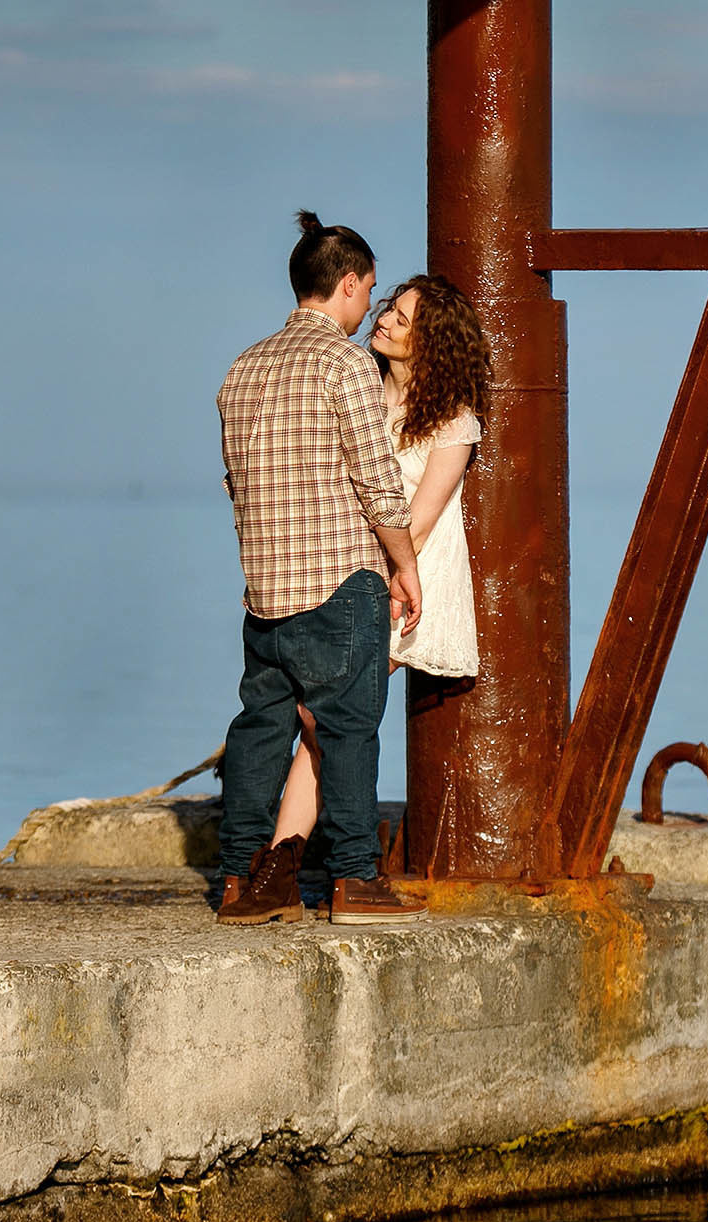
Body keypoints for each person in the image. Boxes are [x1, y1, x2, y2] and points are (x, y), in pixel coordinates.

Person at [214, 212, 429, 926]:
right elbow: (376, 480)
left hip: (265, 590)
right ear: (344, 284)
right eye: (368, 289)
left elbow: (233, 481)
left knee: (260, 731)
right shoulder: (344, 364)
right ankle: (353, 878)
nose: (369, 303)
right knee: (347, 731)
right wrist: (404, 567)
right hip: (340, 581)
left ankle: (241, 878)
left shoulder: (242, 367)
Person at [264, 274, 490, 857]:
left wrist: (382, 571)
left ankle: (311, 858)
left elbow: (421, 517)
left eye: (402, 319)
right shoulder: (360, 388)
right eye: (388, 308)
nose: (384, 320)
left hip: (410, 579)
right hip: (350, 575)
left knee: (323, 715)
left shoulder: (453, 420)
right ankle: (282, 860)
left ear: (430, 342)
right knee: (321, 719)